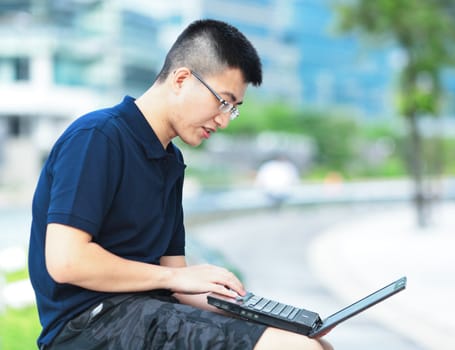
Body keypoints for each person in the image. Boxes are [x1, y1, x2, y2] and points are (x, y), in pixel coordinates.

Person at [28, 19, 333, 350]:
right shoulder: (98, 137)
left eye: (234, 109)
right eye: (223, 101)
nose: (224, 120)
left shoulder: (169, 161)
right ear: (182, 79)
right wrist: (175, 278)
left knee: (306, 341)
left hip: (149, 314)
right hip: (90, 326)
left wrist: (257, 314)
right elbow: (66, 261)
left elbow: (177, 278)